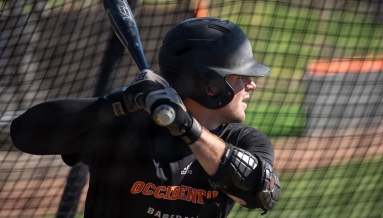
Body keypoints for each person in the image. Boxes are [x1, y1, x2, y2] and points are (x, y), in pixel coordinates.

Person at [10, 17, 280, 218]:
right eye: (241, 76)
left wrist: (187, 127)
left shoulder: (246, 141)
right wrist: (121, 100)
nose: (251, 85)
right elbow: (25, 134)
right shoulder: (125, 129)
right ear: (211, 86)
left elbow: (263, 192)